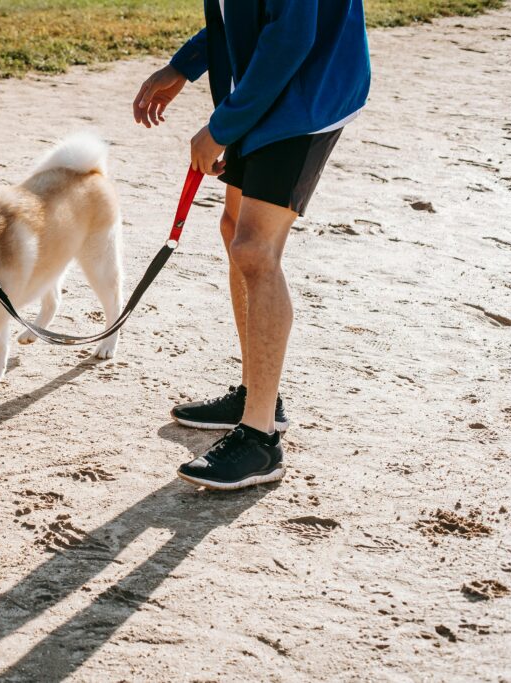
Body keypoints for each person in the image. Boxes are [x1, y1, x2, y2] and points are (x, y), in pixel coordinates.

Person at [133, 1, 371, 490]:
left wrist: (222, 128)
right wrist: (183, 66)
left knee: (255, 250)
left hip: (309, 93)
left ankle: (260, 439)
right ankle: (256, 395)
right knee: (233, 227)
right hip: (270, 85)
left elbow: (292, 37)